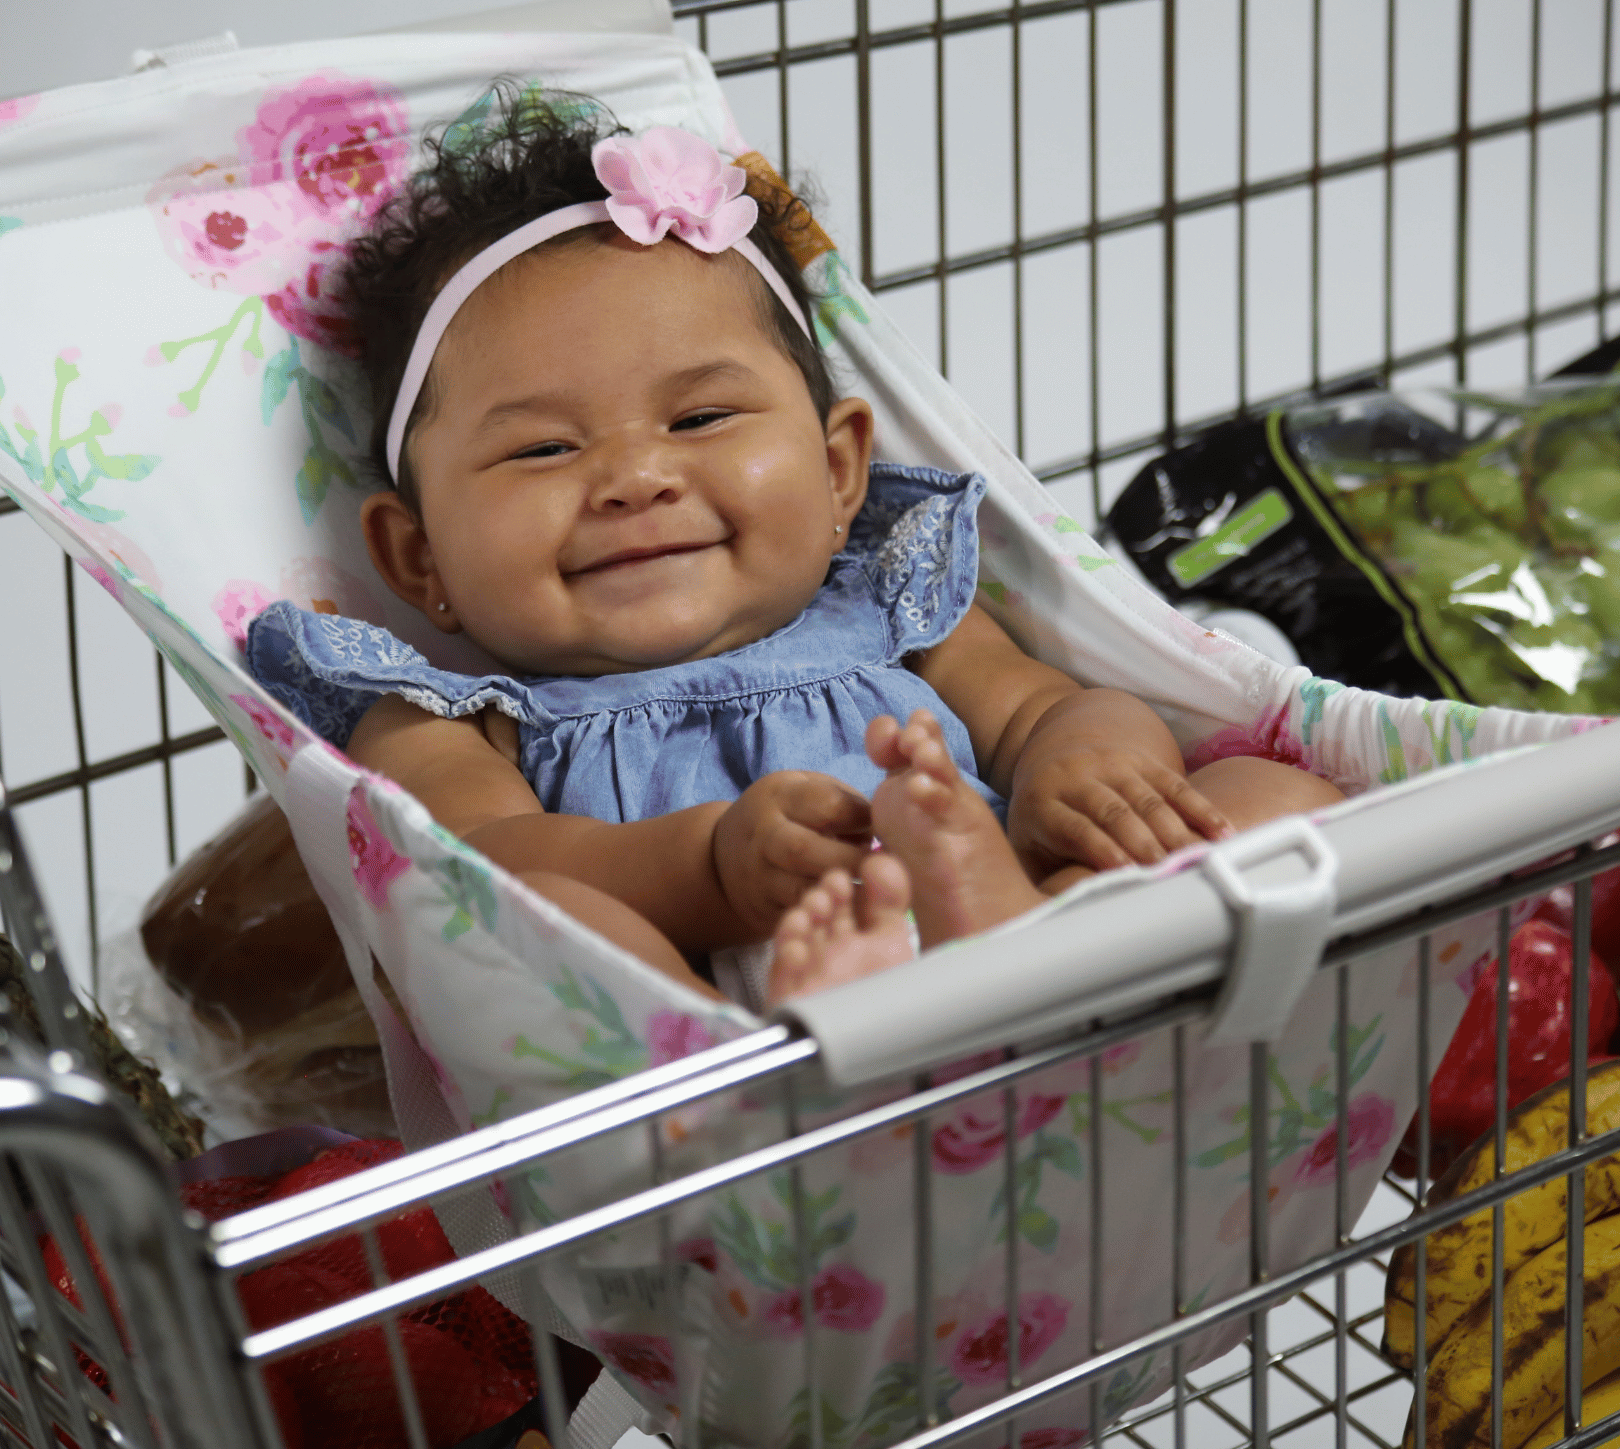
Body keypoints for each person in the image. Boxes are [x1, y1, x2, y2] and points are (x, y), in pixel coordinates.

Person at [249, 87, 1343, 1008]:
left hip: (1006, 953)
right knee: (542, 923)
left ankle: (1016, 931)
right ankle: (823, 1039)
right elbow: (486, 868)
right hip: (728, 1051)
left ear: (839, 473)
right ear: (418, 558)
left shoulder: (895, 608)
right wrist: (708, 871)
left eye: (700, 419)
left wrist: (1089, 766)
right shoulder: (449, 720)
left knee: (1271, 800)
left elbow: (1043, 709)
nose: (636, 478)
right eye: (543, 448)